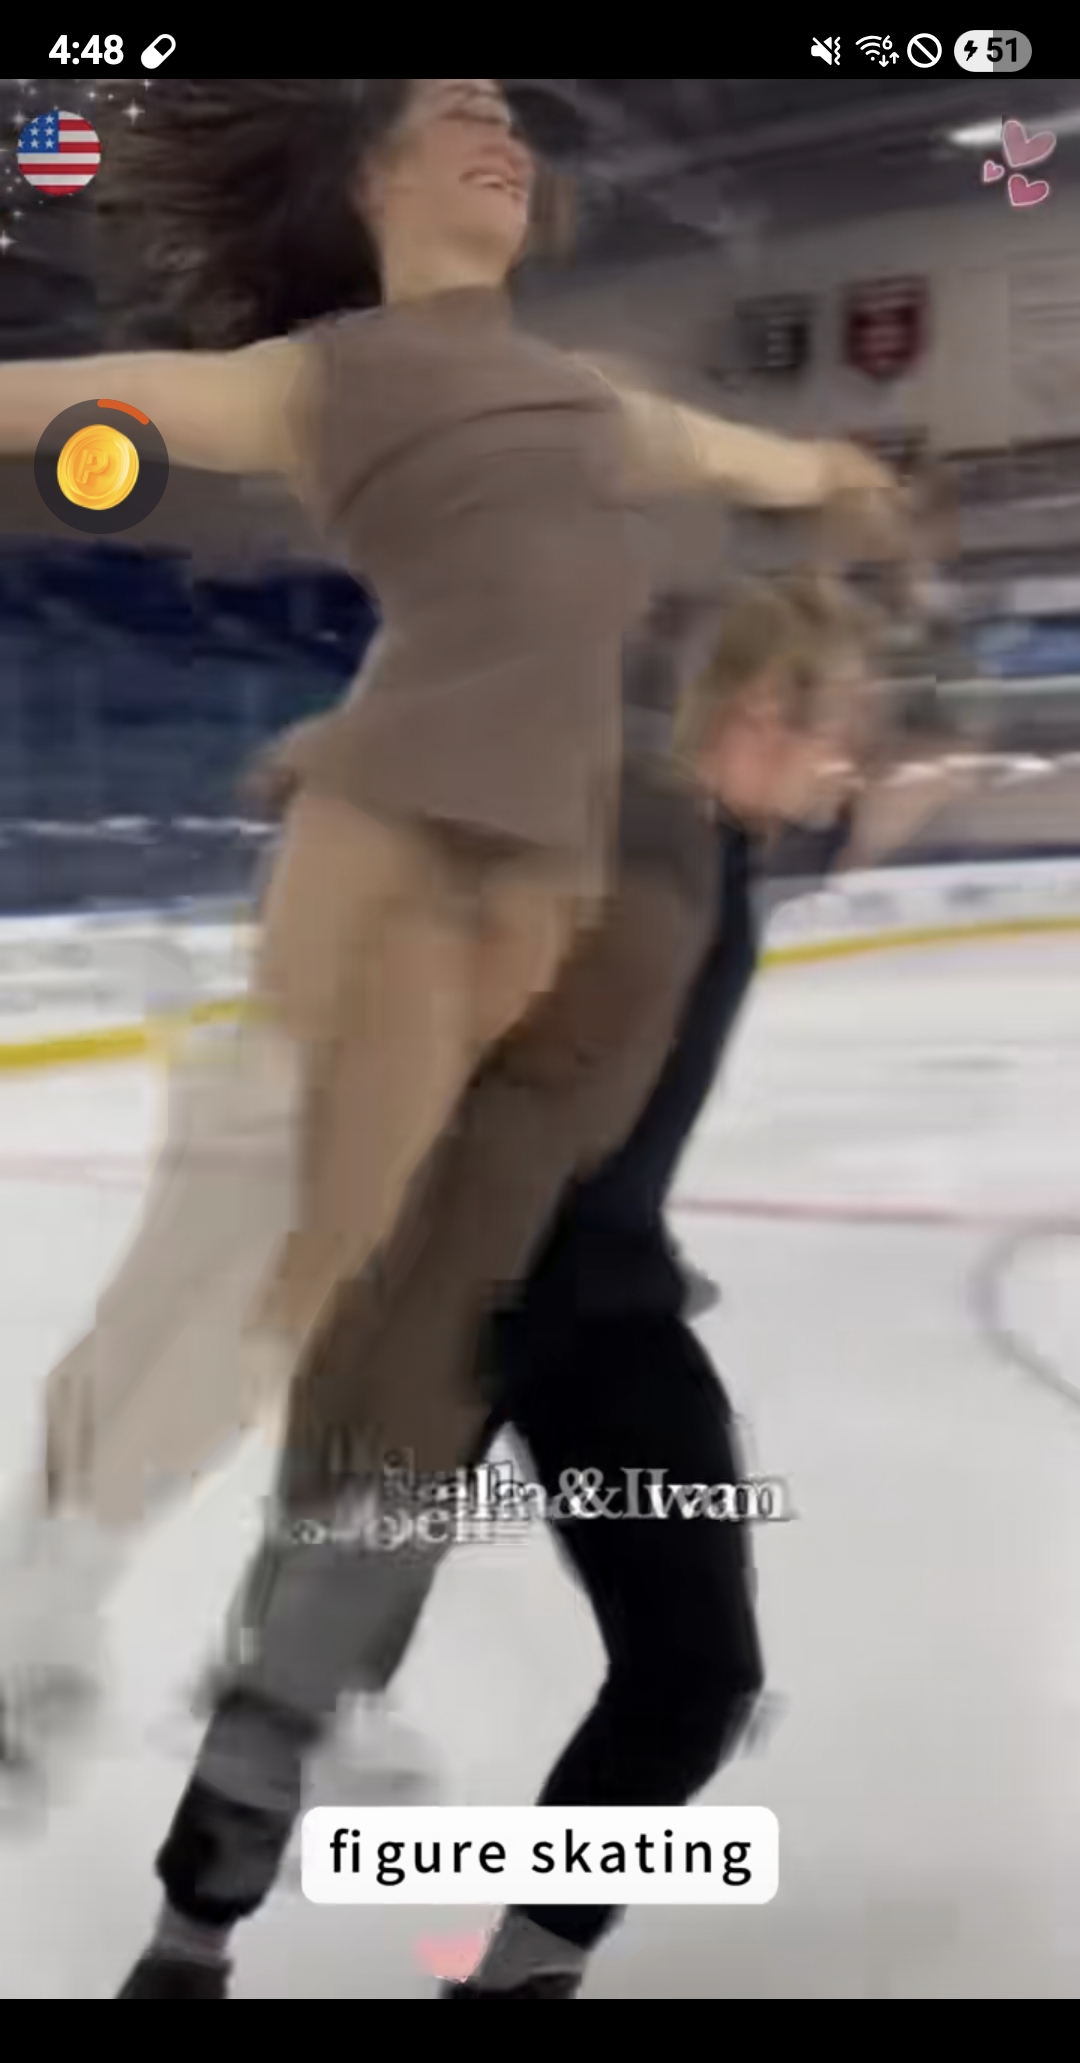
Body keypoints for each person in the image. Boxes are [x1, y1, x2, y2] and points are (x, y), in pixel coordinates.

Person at [0, 79, 898, 1576]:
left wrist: (839, 477)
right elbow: (72, 398)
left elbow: (742, 457)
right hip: (401, 818)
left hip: (540, 872)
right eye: (458, 113)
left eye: (510, 118)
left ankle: (76, 1549)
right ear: (374, 181)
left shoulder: (587, 400)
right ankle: (57, 1565)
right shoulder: (323, 376)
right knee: (251, 1246)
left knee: (318, 1269)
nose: (502, 132)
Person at [116, 572, 956, 2000]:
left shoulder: (717, 847)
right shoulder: (624, 837)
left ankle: (491, 1974)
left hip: (596, 1308)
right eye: (837, 735)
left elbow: (788, 842)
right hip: (463, 1298)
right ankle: (194, 1957)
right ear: (762, 713)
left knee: (682, 1669)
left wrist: (893, 798)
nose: (846, 766)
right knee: (324, 1657)